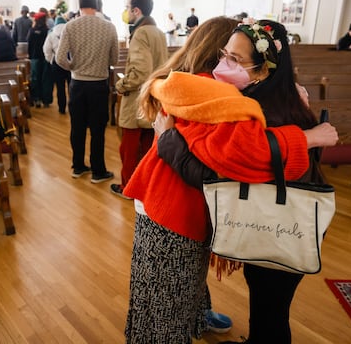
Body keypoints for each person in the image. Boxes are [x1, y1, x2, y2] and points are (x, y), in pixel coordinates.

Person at [122, 17, 338, 343]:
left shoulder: (248, 100)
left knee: (258, 309)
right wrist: (306, 137)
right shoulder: (219, 93)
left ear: (264, 69)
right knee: (168, 299)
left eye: (235, 59)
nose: (226, 64)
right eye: (225, 54)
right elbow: (229, 158)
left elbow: (249, 157)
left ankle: (197, 320)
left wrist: (303, 138)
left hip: (272, 226)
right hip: (189, 212)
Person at [56, 0, 118, 183]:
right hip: (99, 84)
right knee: (98, 129)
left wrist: (73, 67)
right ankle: (98, 171)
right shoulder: (109, 27)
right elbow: (114, 59)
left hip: (77, 85)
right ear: (96, 6)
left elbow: (59, 58)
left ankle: (78, 166)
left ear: (79, 5)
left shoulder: (70, 26)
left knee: (78, 127)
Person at [110, 0, 168, 199]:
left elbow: (140, 71)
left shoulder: (141, 33)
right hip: (153, 97)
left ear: (136, 10)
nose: (126, 12)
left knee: (129, 148)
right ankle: (143, 187)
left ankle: (129, 188)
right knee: (146, 147)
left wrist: (121, 84)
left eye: (127, 7)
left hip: (137, 98)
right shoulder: (158, 32)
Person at [43, 15, 71, 114]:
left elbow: (46, 49)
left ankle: (62, 108)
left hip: (57, 63)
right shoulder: (70, 31)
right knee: (71, 86)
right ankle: (72, 107)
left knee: (60, 87)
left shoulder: (51, 34)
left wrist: (51, 60)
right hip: (70, 62)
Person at [27, 12, 51, 107]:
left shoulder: (32, 31)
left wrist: (30, 56)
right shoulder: (47, 31)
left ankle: (36, 99)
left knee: (35, 79)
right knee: (46, 79)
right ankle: (46, 100)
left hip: (35, 57)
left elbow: (29, 45)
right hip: (45, 58)